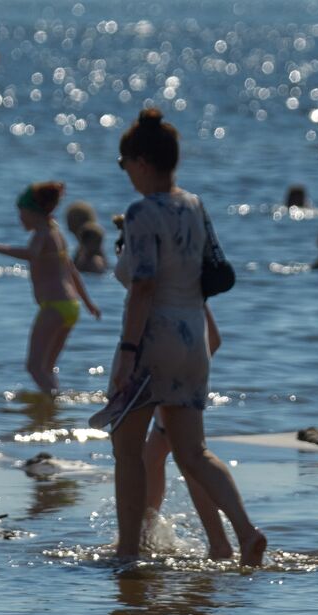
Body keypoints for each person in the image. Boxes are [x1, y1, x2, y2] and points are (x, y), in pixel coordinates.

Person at [108, 109, 266, 566]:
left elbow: (142, 287)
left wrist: (127, 351)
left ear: (140, 162)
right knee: (193, 451)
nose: (126, 175)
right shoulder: (194, 205)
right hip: (194, 338)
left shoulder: (141, 212)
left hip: (154, 340)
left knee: (127, 449)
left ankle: (127, 550)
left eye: (124, 164)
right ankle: (246, 530)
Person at [0, 183, 101, 395]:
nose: (20, 219)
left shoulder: (42, 233)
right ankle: (53, 411)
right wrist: (88, 303)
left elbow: (31, 254)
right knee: (46, 368)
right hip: (71, 307)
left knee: (34, 367)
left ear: (32, 211)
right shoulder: (57, 233)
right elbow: (73, 272)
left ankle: (55, 401)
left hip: (54, 306)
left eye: (21, 213)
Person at [142, 303, 231, 558]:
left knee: (191, 459)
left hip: (170, 374)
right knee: (155, 454)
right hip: (187, 372)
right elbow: (214, 340)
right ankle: (145, 536)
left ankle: (224, 541)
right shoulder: (190, 281)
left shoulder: (158, 276)